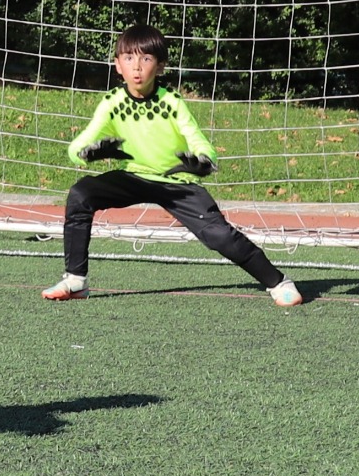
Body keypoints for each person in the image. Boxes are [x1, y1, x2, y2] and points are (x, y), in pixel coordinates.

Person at [43, 24, 301, 307]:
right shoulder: (112, 103)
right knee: (81, 194)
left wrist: (203, 162)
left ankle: (278, 281)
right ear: (118, 66)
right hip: (134, 178)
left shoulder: (172, 103)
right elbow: (75, 148)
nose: (137, 67)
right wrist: (88, 154)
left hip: (176, 183)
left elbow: (202, 145)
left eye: (146, 59)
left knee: (219, 237)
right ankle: (76, 281)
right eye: (128, 58)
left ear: (161, 66)